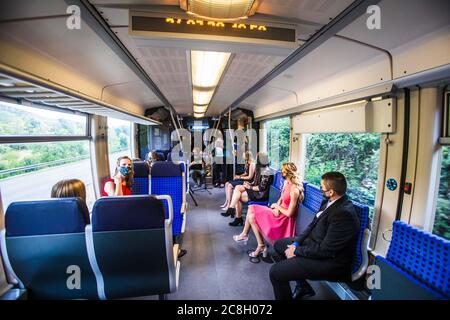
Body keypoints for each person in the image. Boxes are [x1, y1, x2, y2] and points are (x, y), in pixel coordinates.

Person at [269, 172, 360, 300]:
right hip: (314, 245)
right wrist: (296, 243)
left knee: (275, 273)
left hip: (331, 262)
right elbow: (311, 226)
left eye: (322, 187)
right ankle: (303, 286)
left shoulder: (344, 214)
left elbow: (326, 250)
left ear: (331, 192)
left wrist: (297, 251)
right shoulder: (328, 202)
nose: (320, 189)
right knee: (279, 245)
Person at [232, 163, 304, 258]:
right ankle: (260, 244)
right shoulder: (287, 183)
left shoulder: (295, 190)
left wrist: (278, 208)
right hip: (278, 211)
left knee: (251, 210)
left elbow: (290, 213)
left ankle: (252, 240)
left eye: (283, 171)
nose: (281, 173)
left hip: (284, 219)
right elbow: (281, 198)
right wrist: (276, 206)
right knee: (251, 216)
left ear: (288, 173)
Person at [222, 153, 273, 226]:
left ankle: (236, 216)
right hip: (256, 190)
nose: (255, 160)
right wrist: (249, 184)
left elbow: (261, 188)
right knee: (237, 189)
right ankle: (232, 210)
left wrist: (250, 187)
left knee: (237, 196)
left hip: (260, 195)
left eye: (257, 159)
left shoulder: (267, 171)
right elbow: (255, 182)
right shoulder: (260, 169)